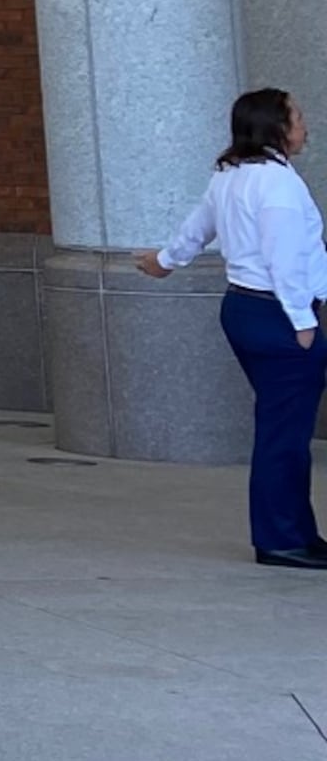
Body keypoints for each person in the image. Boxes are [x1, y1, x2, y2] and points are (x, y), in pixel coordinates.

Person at [140, 87, 327, 568]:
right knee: (284, 434)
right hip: (278, 313)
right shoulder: (277, 185)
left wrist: (166, 260)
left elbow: (197, 227)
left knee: (281, 428)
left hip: (245, 307)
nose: (305, 125)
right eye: (297, 116)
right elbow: (284, 257)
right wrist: (303, 321)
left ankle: (295, 532)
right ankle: (282, 539)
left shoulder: (232, 175)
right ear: (276, 127)